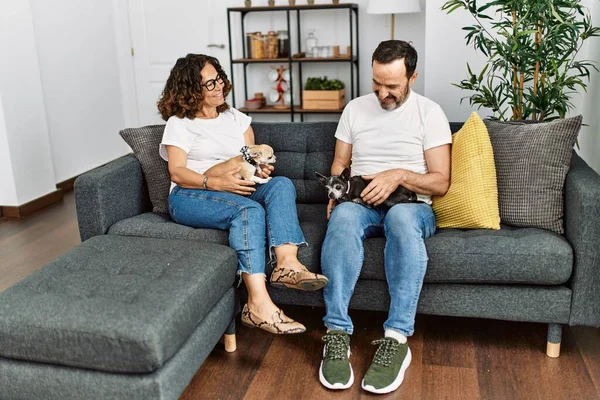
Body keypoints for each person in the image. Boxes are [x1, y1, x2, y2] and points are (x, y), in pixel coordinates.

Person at [158, 54, 328, 335]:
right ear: (189, 89)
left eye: (219, 79)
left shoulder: (235, 118)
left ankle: (286, 265)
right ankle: (258, 305)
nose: (217, 87)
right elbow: (177, 172)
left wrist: (259, 171)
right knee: (249, 211)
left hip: (237, 188)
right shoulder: (180, 123)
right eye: (208, 83)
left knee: (282, 184)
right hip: (191, 194)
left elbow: (251, 162)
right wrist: (215, 183)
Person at [318, 41, 452, 394]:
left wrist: (397, 175)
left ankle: (396, 338)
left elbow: (441, 182)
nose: (382, 93)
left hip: (412, 206)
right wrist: (337, 190)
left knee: (401, 221)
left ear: (412, 76)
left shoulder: (429, 113)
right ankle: (336, 333)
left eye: (392, 86)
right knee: (344, 219)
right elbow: (339, 163)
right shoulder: (355, 109)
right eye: (377, 83)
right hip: (362, 201)